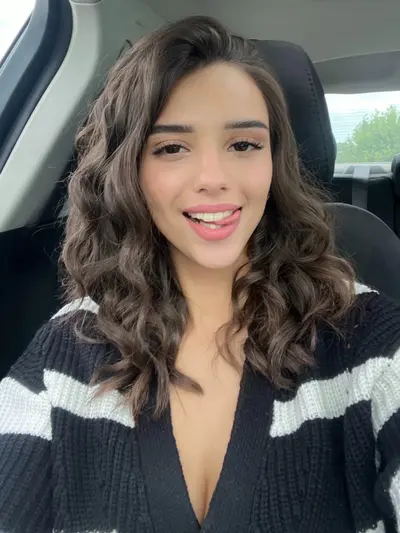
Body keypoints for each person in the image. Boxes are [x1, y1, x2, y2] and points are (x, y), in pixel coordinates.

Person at [0, 15, 399, 533]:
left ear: (274, 161)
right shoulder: (66, 352)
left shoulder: (369, 338)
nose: (214, 179)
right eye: (172, 148)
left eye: (243, 144)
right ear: (130, 170)